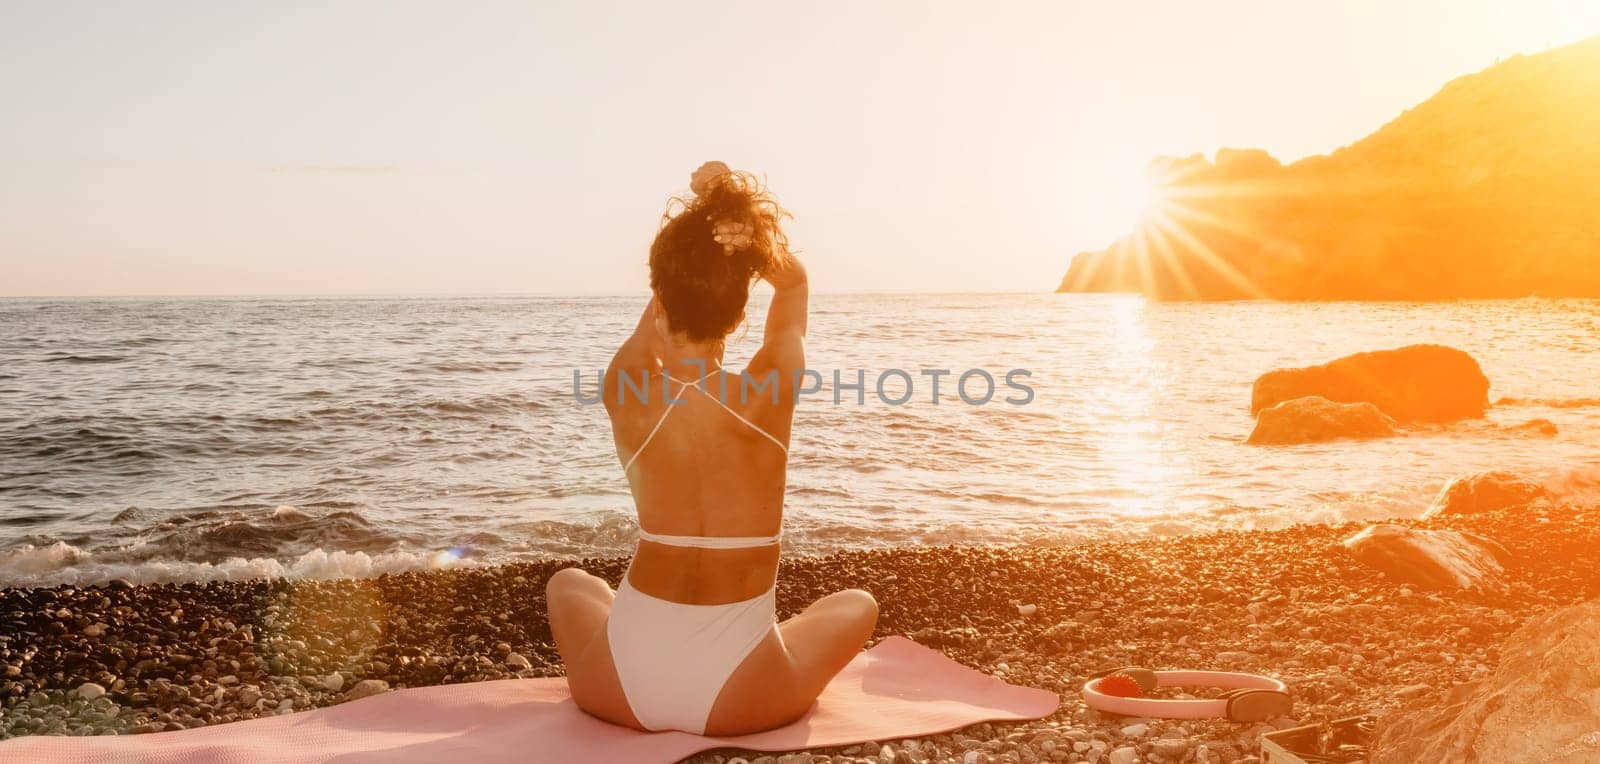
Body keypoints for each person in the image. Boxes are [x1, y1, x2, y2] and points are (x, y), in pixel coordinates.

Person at [546, 162, 879, 735]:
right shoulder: (768, 392)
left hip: (616, 689)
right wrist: (748, 236)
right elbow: (794, 285)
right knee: (858, 604)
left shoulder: (622, 389)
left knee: (570, 584)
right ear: (739, 312)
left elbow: (659, 315)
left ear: (660, 292)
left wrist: (694, 242)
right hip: (742, 699)